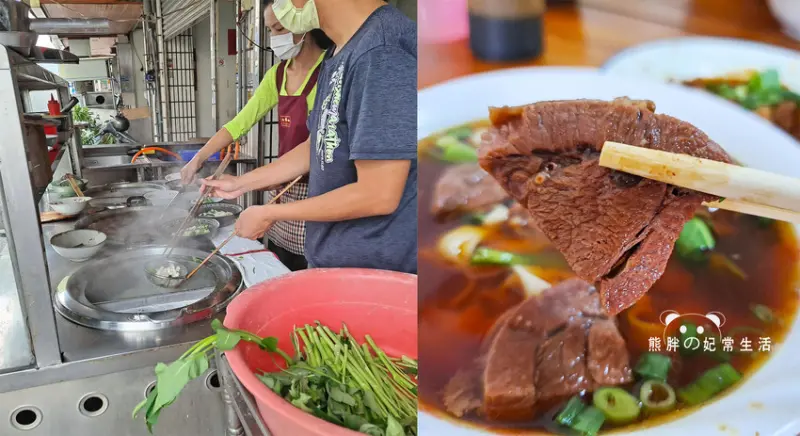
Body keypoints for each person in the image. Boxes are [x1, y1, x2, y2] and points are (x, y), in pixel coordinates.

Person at [203, 0, 417, 274]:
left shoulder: (382, 52)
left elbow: (378, 194)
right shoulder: (339, 52)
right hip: (337, 261)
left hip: (374, 271)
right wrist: (242, 183)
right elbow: (315, 144)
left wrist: (269, 212)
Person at [181, 1, 333, 271]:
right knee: (280, 259)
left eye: (279, 29)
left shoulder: (330, 71)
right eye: (270, 30)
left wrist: (244, 182)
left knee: (310, 261)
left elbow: (316, 147)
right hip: (284, 182)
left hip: (322, 186)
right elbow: (239, 123)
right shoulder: (277, 75)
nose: (275, 38)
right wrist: (199, 158)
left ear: (304, 27)